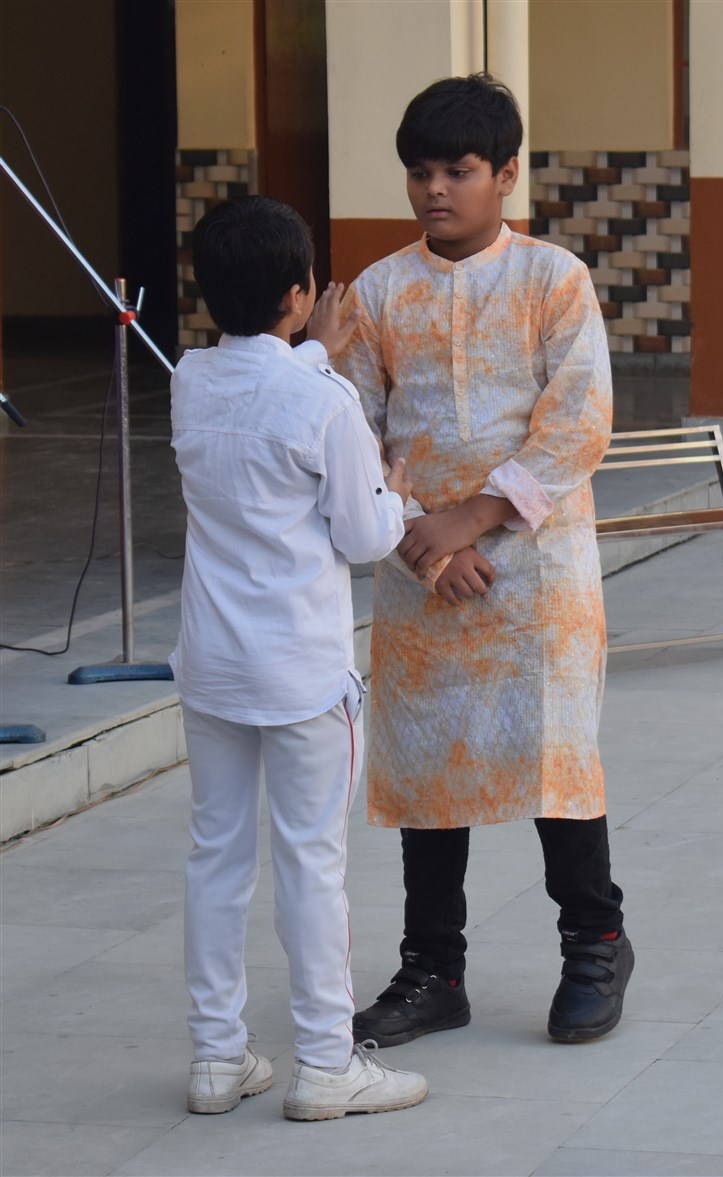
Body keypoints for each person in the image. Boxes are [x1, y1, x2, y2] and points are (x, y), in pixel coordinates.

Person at [336, 73, 633, 1050]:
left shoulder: (553, 279)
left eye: (457, 171)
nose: (435, 189)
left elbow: (578, 420)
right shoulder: (379, 292)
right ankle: (433, 971)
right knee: (427, 773)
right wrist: (420, 543)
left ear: (505, 173)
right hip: (421, 566)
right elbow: (352, 438)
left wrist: (473, 517)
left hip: (535, 573)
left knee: (557, 763)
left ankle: (593, 944)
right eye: (419, 172)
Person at [170, 195, 428, 1120]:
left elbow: (260, 386)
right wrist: (393, 494)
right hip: (303, 675)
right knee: (311, 864)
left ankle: (216, 1058)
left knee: (216, 858)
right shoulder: (327, 403)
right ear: (298, 293)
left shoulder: (189, 379)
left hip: (213, 666)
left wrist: (312, 346)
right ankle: (325, 1062)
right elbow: (362, 536)